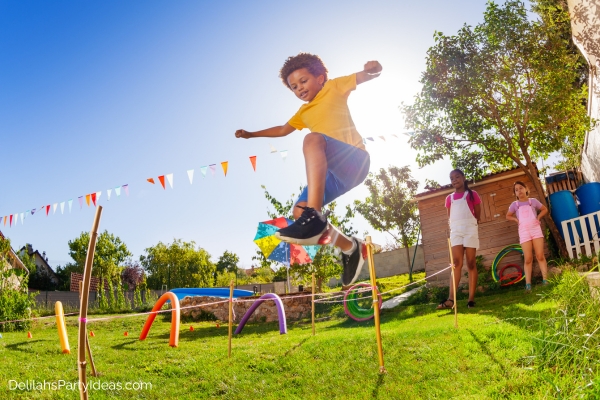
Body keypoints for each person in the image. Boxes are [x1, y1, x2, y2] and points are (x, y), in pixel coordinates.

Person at [235, 53, 381, 285]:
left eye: (303, 81)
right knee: (298, 212)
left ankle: (314, 216)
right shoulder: (303, 112)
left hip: (354, 160)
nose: (299, 88)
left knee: (312, 140)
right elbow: (282, 130)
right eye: (294, 86)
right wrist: (252, 134)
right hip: (335, 174)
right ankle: (350, 247)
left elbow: (365, 76)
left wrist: (373, 68)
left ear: (320, 78)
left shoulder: (333, 87)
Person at [437, 169, 481, 310]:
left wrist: (472, 224)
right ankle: (451, 300)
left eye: (457, 177)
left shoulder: (472, 195)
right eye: (452, 178)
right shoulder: (449, 198)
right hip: (456, 231)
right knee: (456, 263)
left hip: (470, 229)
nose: (454, 180)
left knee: (471, 263)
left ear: (463, 178)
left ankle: (471, 299)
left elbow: (477, 214)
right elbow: (450, 217)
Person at [506, 181, 549, 291]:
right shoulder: (514, 205)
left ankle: (546, 280)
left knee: (540, 256)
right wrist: (516, 219)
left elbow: (544, 209)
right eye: (516, 190)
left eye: (521, 188)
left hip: (536, 230)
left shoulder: (533, 201)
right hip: (524, 232)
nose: (519, 190)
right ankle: (528, 285)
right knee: (528, 258)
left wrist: (538, 218)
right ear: (515, 193)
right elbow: (508, 216)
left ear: (526, 189)